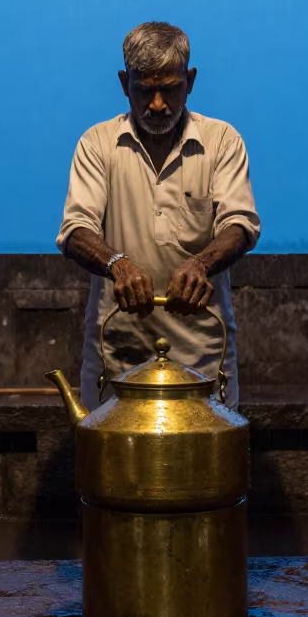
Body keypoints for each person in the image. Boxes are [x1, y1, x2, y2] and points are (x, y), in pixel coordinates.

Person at [56, 21, 261, 409]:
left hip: (204, 358)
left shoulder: (222, 141)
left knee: (206, 469)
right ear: (123, 83)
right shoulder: (97, 144)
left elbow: (240, 223)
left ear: (191, 81)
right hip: (115, 355)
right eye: (144, 90)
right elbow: (75, 229)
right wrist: (118, 265)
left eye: (169, 89)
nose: (157, 104)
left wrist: (201, 264)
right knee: (111, 469)